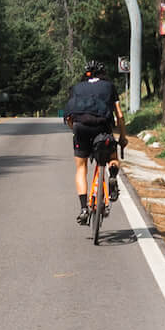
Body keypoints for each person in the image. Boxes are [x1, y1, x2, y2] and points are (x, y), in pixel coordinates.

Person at [60, 61, 126, 224]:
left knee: (81, 168)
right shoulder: (109, 87)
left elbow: (69, 116)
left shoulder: (77, 88)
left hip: (80, 128)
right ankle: (112, 175)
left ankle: (83, 208)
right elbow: (119, 115)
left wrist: (75, 130)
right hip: (102, 128)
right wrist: (122, 137)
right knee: (111, 157)